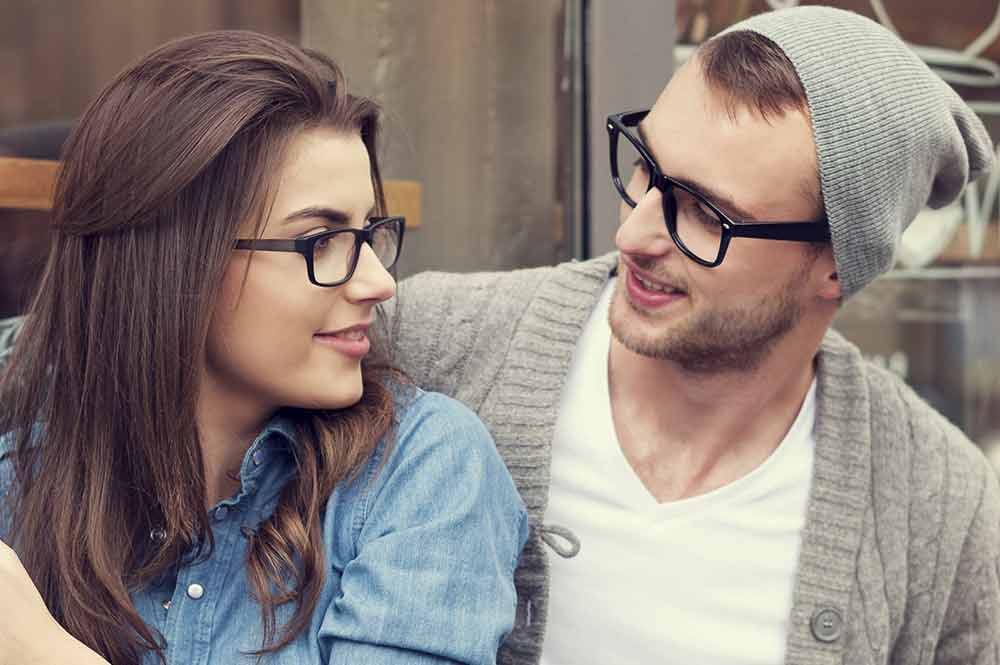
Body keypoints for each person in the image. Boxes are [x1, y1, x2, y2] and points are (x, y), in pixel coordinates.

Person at [375, 7, 1000, 665]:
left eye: (707, 214)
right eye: (646, 169)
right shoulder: (432, 346)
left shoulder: (937, 505)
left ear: (836, 265)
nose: (634, 236)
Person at [0, 31, 527, 665]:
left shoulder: (423, 471)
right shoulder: (24, 470)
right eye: (320, 240)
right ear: (175, 263)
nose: (380, 283)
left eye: (368, 232)